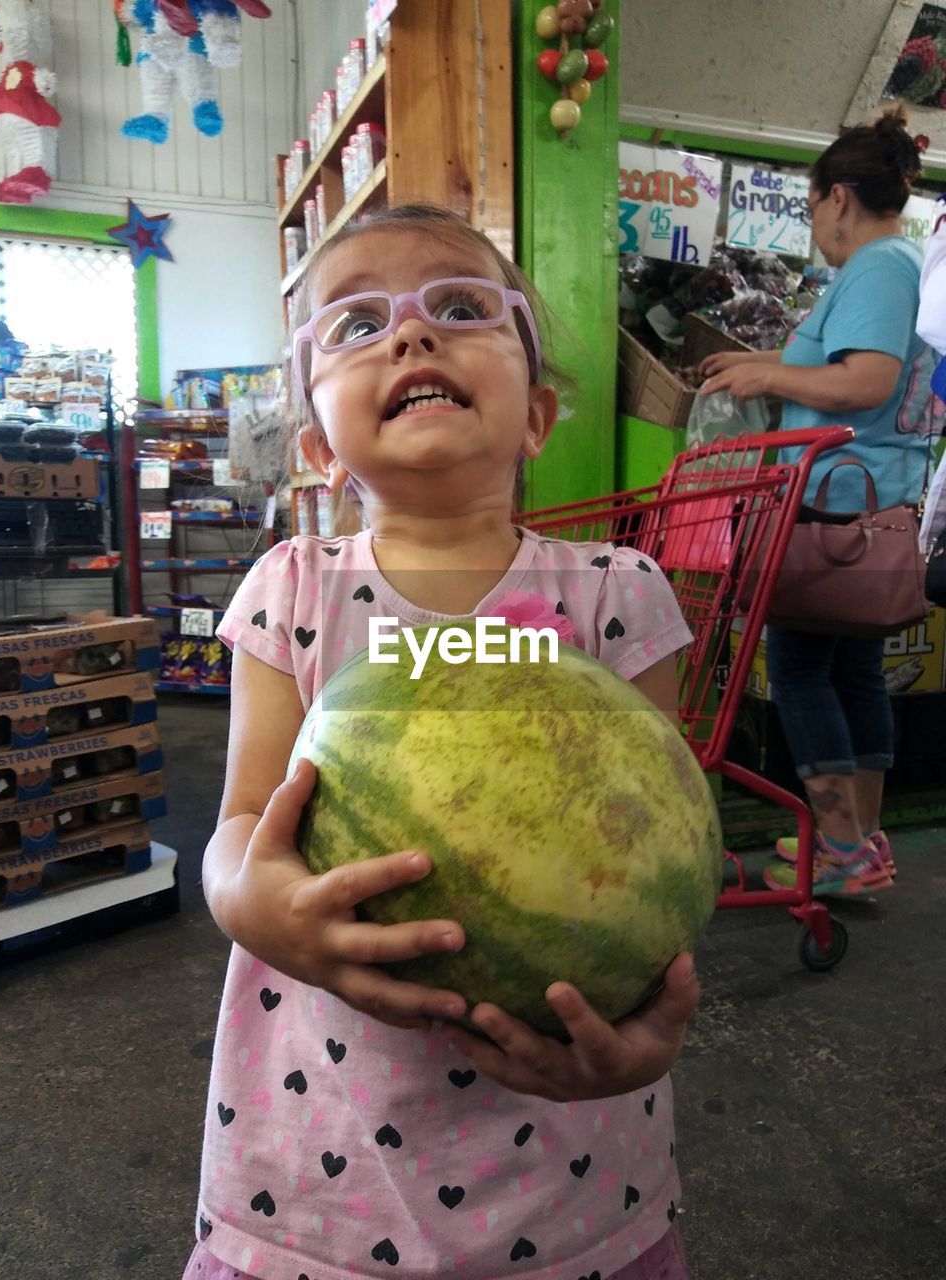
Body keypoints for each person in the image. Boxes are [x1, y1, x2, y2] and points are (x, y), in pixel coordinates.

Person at [182, 203, 702, 1280]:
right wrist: (257, 905)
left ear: (538, 415)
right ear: (321, 445)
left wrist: (653, 1030)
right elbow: (241, 823)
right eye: (356, 323)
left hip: (563, 1140)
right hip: (328, 1140)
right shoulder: (294, 588)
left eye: (463, 307)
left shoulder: (620, 593)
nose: (412, 335)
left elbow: (659, 859)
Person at [700, 105, 934, 895]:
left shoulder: (877, 267)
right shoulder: (902, 267)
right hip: (870, 504)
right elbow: (845, 365)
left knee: (801, 667)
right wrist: (760, 358)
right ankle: (861, 842)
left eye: (811, 209)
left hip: (834, 505)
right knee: (852, 668)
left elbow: (864, 380)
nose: (815, 227)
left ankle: (839, 847)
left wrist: (767, 376)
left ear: (839, 197)